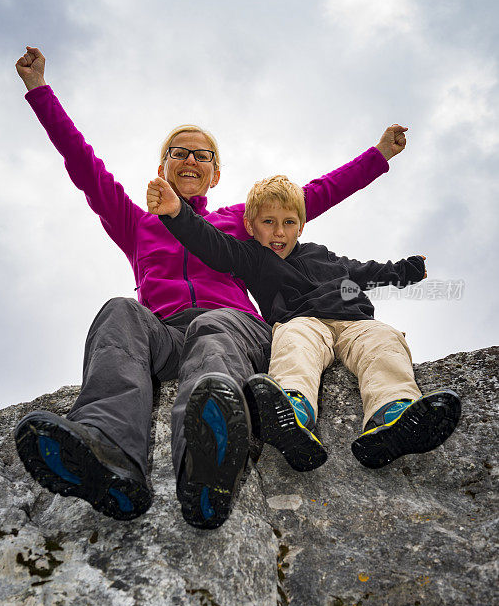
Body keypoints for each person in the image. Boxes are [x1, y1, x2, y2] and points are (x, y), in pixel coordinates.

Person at [13, 45, 408, 530]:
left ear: (215, 173)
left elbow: (313, 196)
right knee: (119, 310)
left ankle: (206, 461)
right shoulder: (138, 223)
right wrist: (39, 89)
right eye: (178, 152)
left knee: (213, 323)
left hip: (236, 329)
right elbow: (83, 163)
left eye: (202, 154)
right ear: (164, 169)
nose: (190, 158)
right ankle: (108, 452)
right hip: (165, 333)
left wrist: (379, 155)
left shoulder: (237, 222)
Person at [146, 173, 461, 472]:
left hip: (354, 321)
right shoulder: (253, 258)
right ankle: (291, 411)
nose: (279, 232)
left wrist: (406, 271)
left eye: (288, 223)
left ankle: (394, 414)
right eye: (268, 223)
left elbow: (367, 271)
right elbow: (214, 245)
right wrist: (177, 214)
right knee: (293, 343)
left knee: (384, 341)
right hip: (301, 320)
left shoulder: (323, 256)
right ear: (250, 226)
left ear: (301, 226)